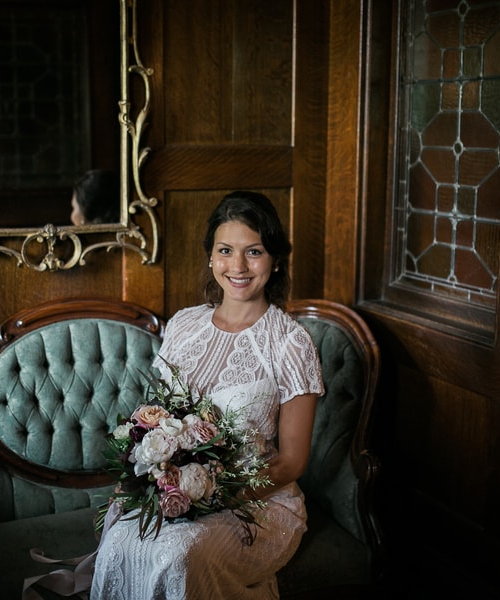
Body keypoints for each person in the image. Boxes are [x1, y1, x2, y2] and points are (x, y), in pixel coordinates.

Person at [89, 190, 324, 599]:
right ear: (210, 257)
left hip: (260, 504)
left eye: (253, 252)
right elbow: (158, 418)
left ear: (275, 259)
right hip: (176, 495)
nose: (237, 266)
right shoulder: (183, 325)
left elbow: (292, 461)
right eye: (225, 250)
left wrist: (214, 495)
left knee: (179, 552)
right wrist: (151, 477)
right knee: (122, 538)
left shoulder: (291, 343)